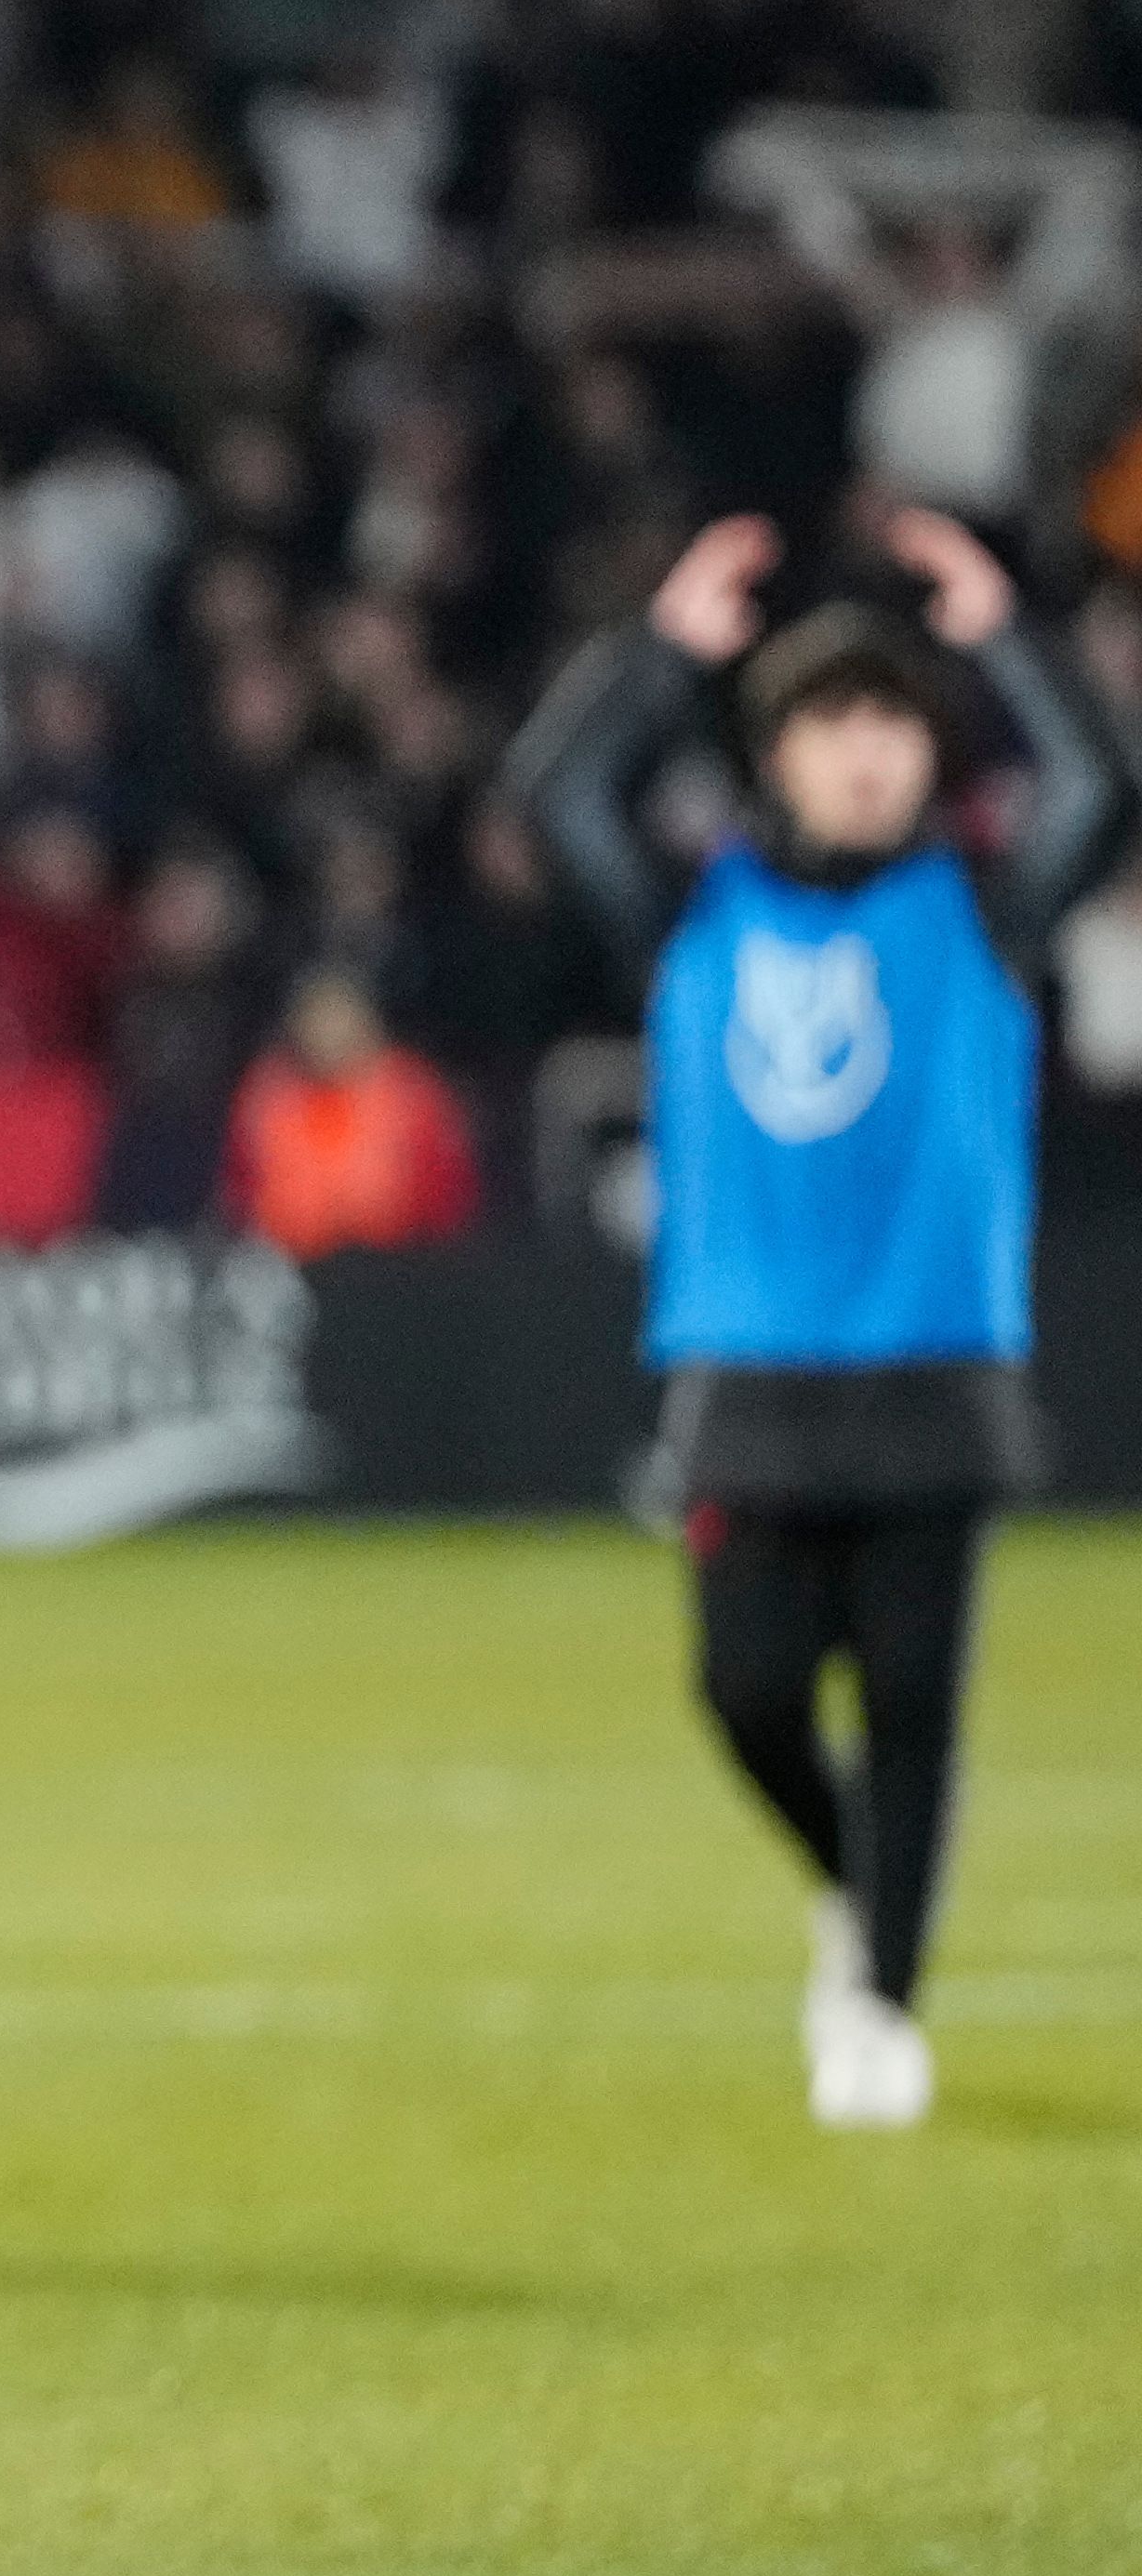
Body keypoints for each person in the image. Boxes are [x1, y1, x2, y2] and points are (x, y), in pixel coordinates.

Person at [505, 508, 1131, 2132]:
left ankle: (883, 2002)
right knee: (748, 1694)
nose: (863, 753)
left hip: (934, 1368)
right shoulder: (695, 914)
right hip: (746, 1373)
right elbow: (552, 794)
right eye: (830, 724)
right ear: (775, 753)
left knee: (914, 1707)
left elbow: (1102, 785)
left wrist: (1008, 641)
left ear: (928, 753)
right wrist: (658, 654)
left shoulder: (982, 908)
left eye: (891, 724)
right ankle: (857, 1892)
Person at [221, 964, 481, 1255]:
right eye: (317, 1018)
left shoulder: (410, 1093)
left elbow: (447, 1196)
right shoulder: (268, 1094)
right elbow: (241, 1192)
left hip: (401, 1261)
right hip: (289, 1262)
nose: (327, 1031)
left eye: (339, 1016)